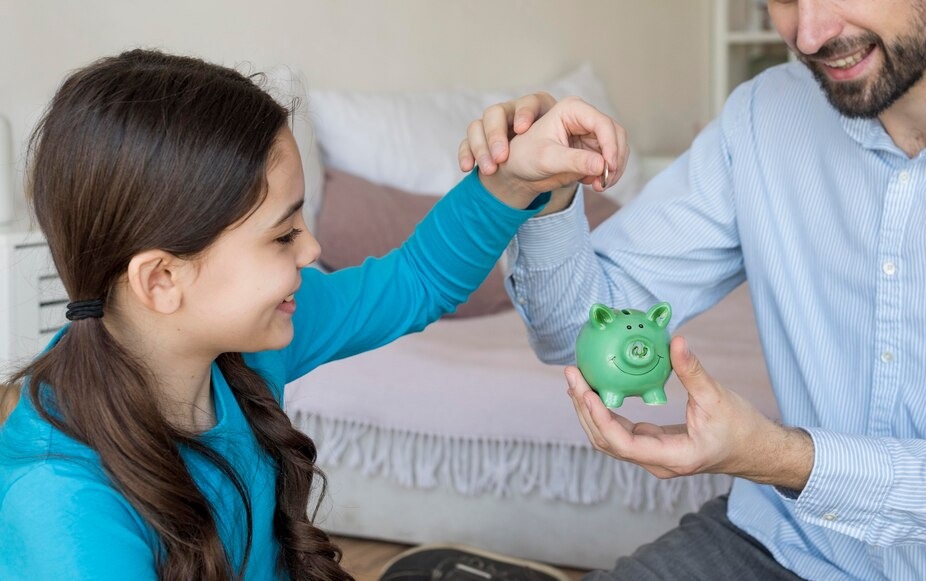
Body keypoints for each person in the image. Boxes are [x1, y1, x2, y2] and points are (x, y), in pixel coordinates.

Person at [386, 0, 926, 579]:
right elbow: (579, 334)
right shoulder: (762, 117)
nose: (808, 35)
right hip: (791, 541)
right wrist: (548, 189)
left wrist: (785, 458)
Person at [0, 49, 626, 580]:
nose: (313, 249)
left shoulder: (240, 346)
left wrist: (517, 180)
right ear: (162, 279)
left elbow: (415, 281)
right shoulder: (62, 508)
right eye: (282, 236)